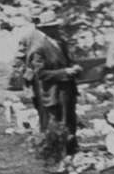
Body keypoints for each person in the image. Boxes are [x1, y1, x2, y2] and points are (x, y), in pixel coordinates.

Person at [26, 10, 82, 152]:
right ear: (45, 29)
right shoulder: (38, 47)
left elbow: (67, 61)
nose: (57, 29)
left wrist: (74, 67)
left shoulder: (61, 42)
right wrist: (64, 73)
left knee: (70, 121)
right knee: (55, 125)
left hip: (68, 89)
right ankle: (56, 156)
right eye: (53, 26)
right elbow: (41, 73)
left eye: (57, 26)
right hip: (52, 92)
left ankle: (71, 152)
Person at [10, 11, 45, 127]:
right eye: (36, 21)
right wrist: (26, 77)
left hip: (56, 76)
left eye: (39, 20)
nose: (38, 23)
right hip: (38, 78)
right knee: (42, 105)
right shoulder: (28, 38)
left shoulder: (55, 37)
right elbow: (19, 60)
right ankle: (46, 128)